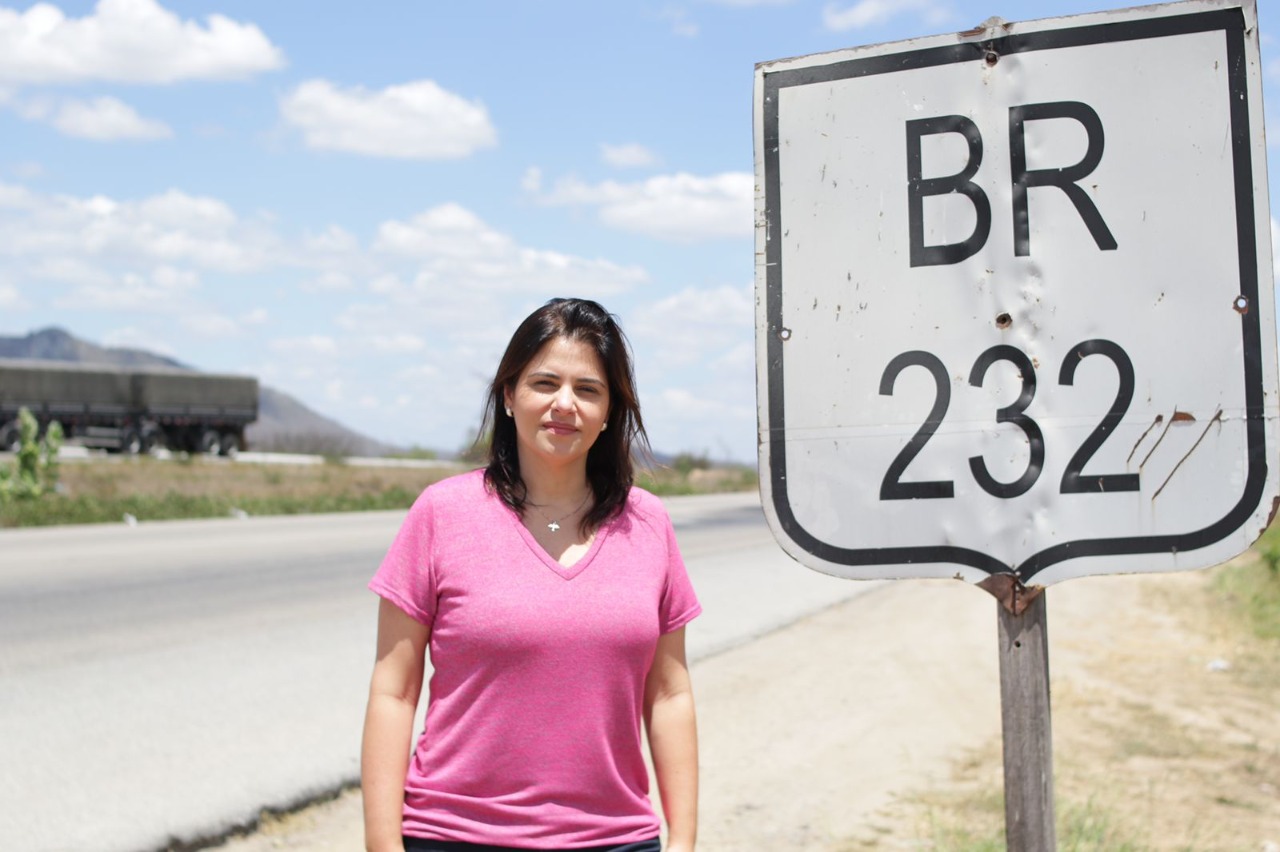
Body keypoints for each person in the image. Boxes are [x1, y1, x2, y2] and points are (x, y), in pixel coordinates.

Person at [361, 297, 701, 852]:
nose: (564, 404)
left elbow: (669, 694)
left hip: (615, 839)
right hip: (455, 835)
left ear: (611, 409)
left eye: (588, 390)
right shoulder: (441, 513)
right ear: (509, 396)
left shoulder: (650, 524)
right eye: (545, 383)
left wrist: (683, 841)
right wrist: (382, 845)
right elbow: (393, 692)